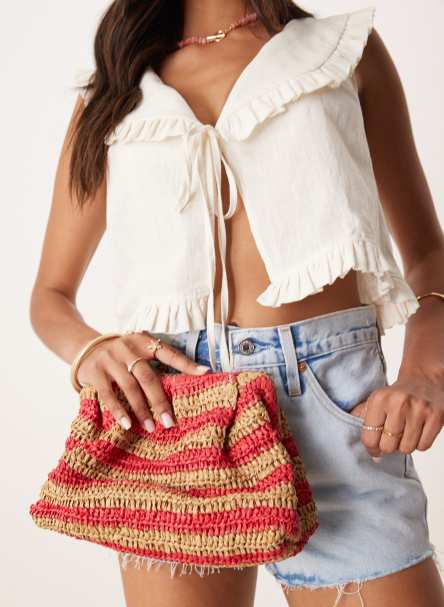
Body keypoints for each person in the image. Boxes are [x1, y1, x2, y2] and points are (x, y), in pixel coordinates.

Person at [29, 1, 444, 606]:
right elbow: (50, 295)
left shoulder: (341, 51)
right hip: (173, 413)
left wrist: (426, 372)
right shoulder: (113, 88)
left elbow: (428, 253)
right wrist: (90, 350)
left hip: (338, 410)